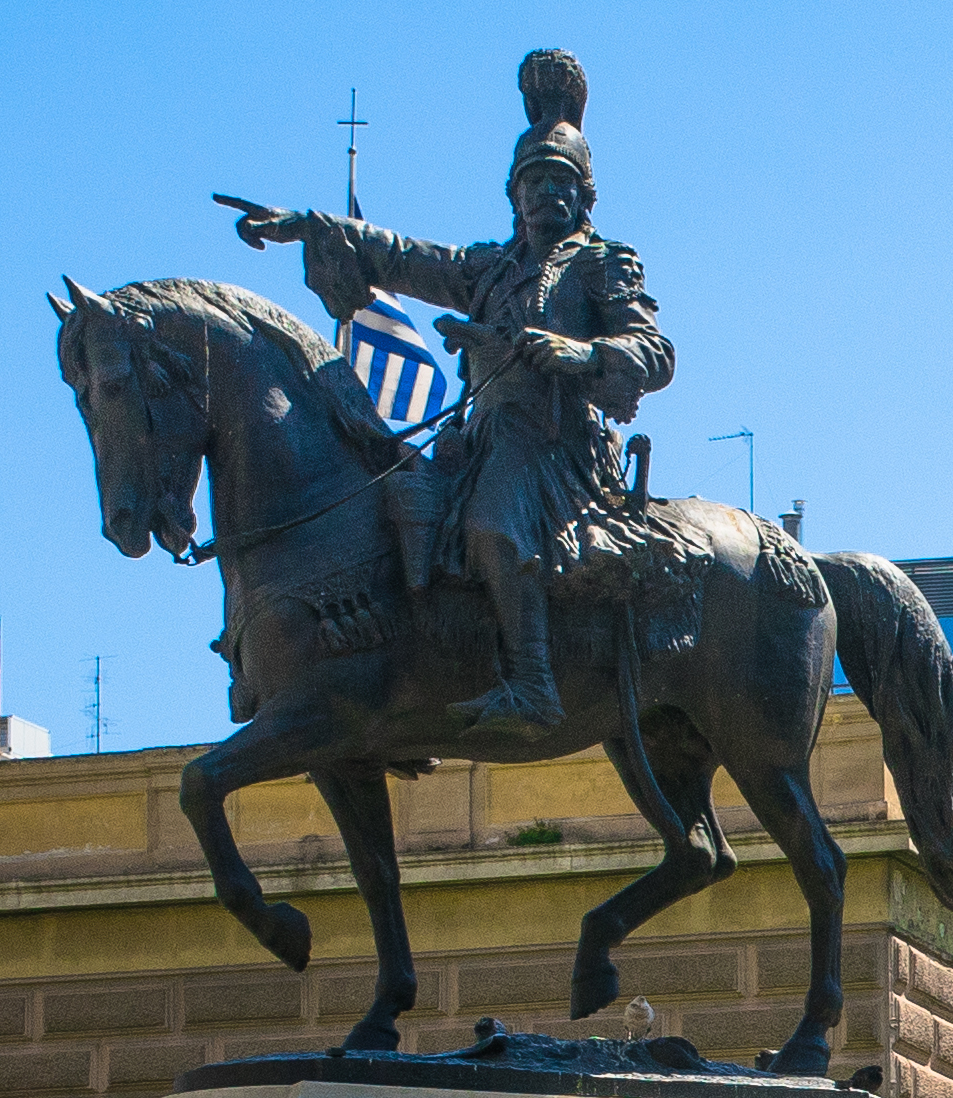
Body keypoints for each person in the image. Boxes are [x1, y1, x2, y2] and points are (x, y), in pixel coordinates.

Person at [229, 50, 676, 749]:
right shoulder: (489, 267)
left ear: (586, 197)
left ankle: (534, 683)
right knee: (394, 512)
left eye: (562, 183)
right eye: (534, 182)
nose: (546, 195)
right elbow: (400, 254)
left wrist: (582, 354)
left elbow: (655, 352)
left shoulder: (599, 265)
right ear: (513, 195)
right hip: (480, 441)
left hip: (557, 447)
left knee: (493, 525)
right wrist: (306, 224)